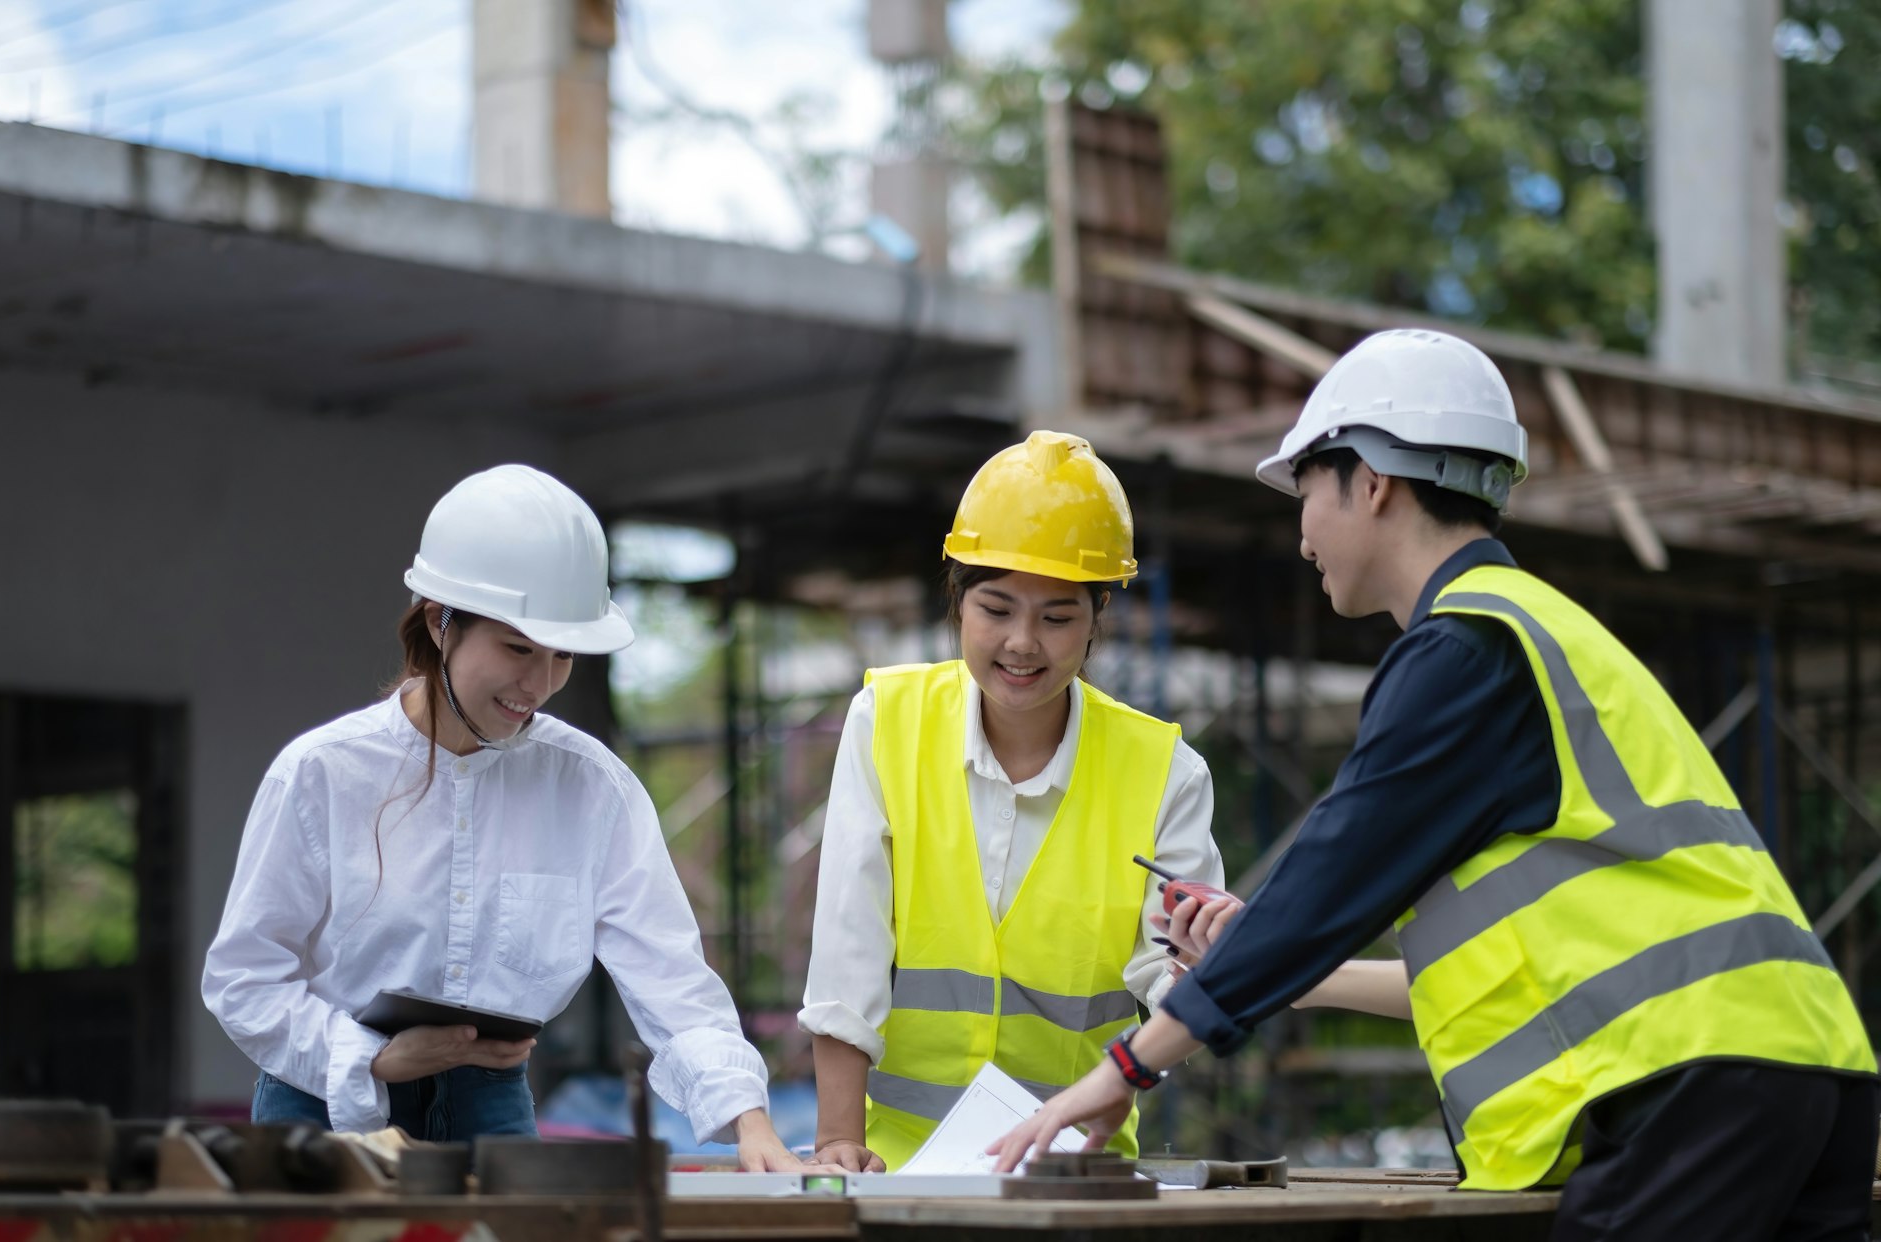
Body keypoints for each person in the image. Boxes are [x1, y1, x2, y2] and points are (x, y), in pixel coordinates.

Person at [989, 330, 1877, 1240]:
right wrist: (1297, 975)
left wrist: (1123, 1071)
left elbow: (1331, 875)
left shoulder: (1463, 652)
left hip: (1696, 1087)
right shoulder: (1543, 630)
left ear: (1370, 481)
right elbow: (1499, 962)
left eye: (1306, 495)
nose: (1301, 537)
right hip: (1806, 1066)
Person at [204, 464, 805, 1168]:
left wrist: (750, 1123)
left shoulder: (591, 788)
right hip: (322, 1104)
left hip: (488, 1107)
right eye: (518, 648)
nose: (540, 683)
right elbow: (244, 979)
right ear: (440, 621)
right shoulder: (323, 773)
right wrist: (369, 1057)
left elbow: (669, 973)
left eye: (562, 655)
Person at [799, 430, 1231, 1172]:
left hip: (1075, 1169)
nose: (1023, 643)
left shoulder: (1167, 773)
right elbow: (849, 947)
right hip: (897, 1165)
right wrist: (840, 1140)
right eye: (996, 610)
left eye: (1058, 617)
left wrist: (1156, 1038)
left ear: (1099, 618)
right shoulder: (886, 722)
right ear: (957, 602)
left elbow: (1179, 978)